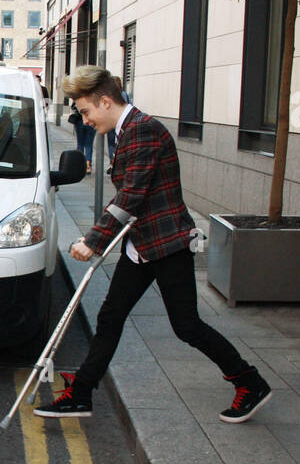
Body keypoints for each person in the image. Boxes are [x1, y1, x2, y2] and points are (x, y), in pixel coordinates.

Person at [36, 65, 273, 423]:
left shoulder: (142, 129)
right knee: (110, 315)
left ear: (104, 102)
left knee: (187, 326)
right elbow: (132, 194)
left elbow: (132, 194)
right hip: (142, 245)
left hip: (168, 244)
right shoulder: (126, 130)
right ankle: (81, 392)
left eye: (85, 111)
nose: (83, 120)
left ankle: (250, 383)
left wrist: (93, 240)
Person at [68, 101, 95, 173]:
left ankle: (80, 164)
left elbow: (73, 107)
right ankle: (88, 164)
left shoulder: (79, 97)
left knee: (80, 144)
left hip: (80, 122)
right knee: (89, 144)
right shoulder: (93, 98)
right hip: (91, 122)